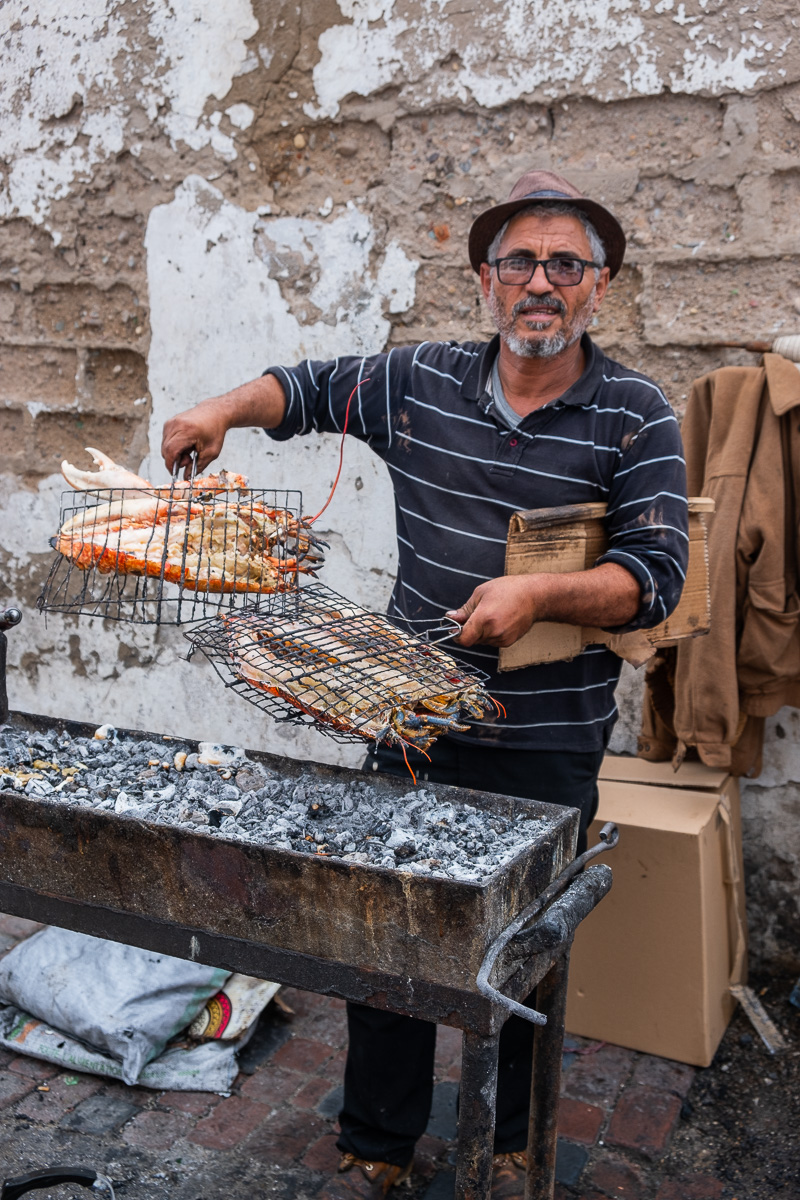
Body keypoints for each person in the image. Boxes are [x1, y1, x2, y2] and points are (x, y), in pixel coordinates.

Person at [162, 169, 689, 1195]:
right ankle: (378, 1144)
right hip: (404, 714)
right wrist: (218, 408)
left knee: (522, 958)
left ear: (598, 286)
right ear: (484, 280)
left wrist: (537, 597)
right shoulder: (420, 380)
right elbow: (303, 388)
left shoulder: (632, 412)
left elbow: (655, 577)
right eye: (519, 262)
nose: (540, 282)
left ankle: (508, 1148)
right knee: (384, 935)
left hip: (543, 739)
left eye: (563, 264)